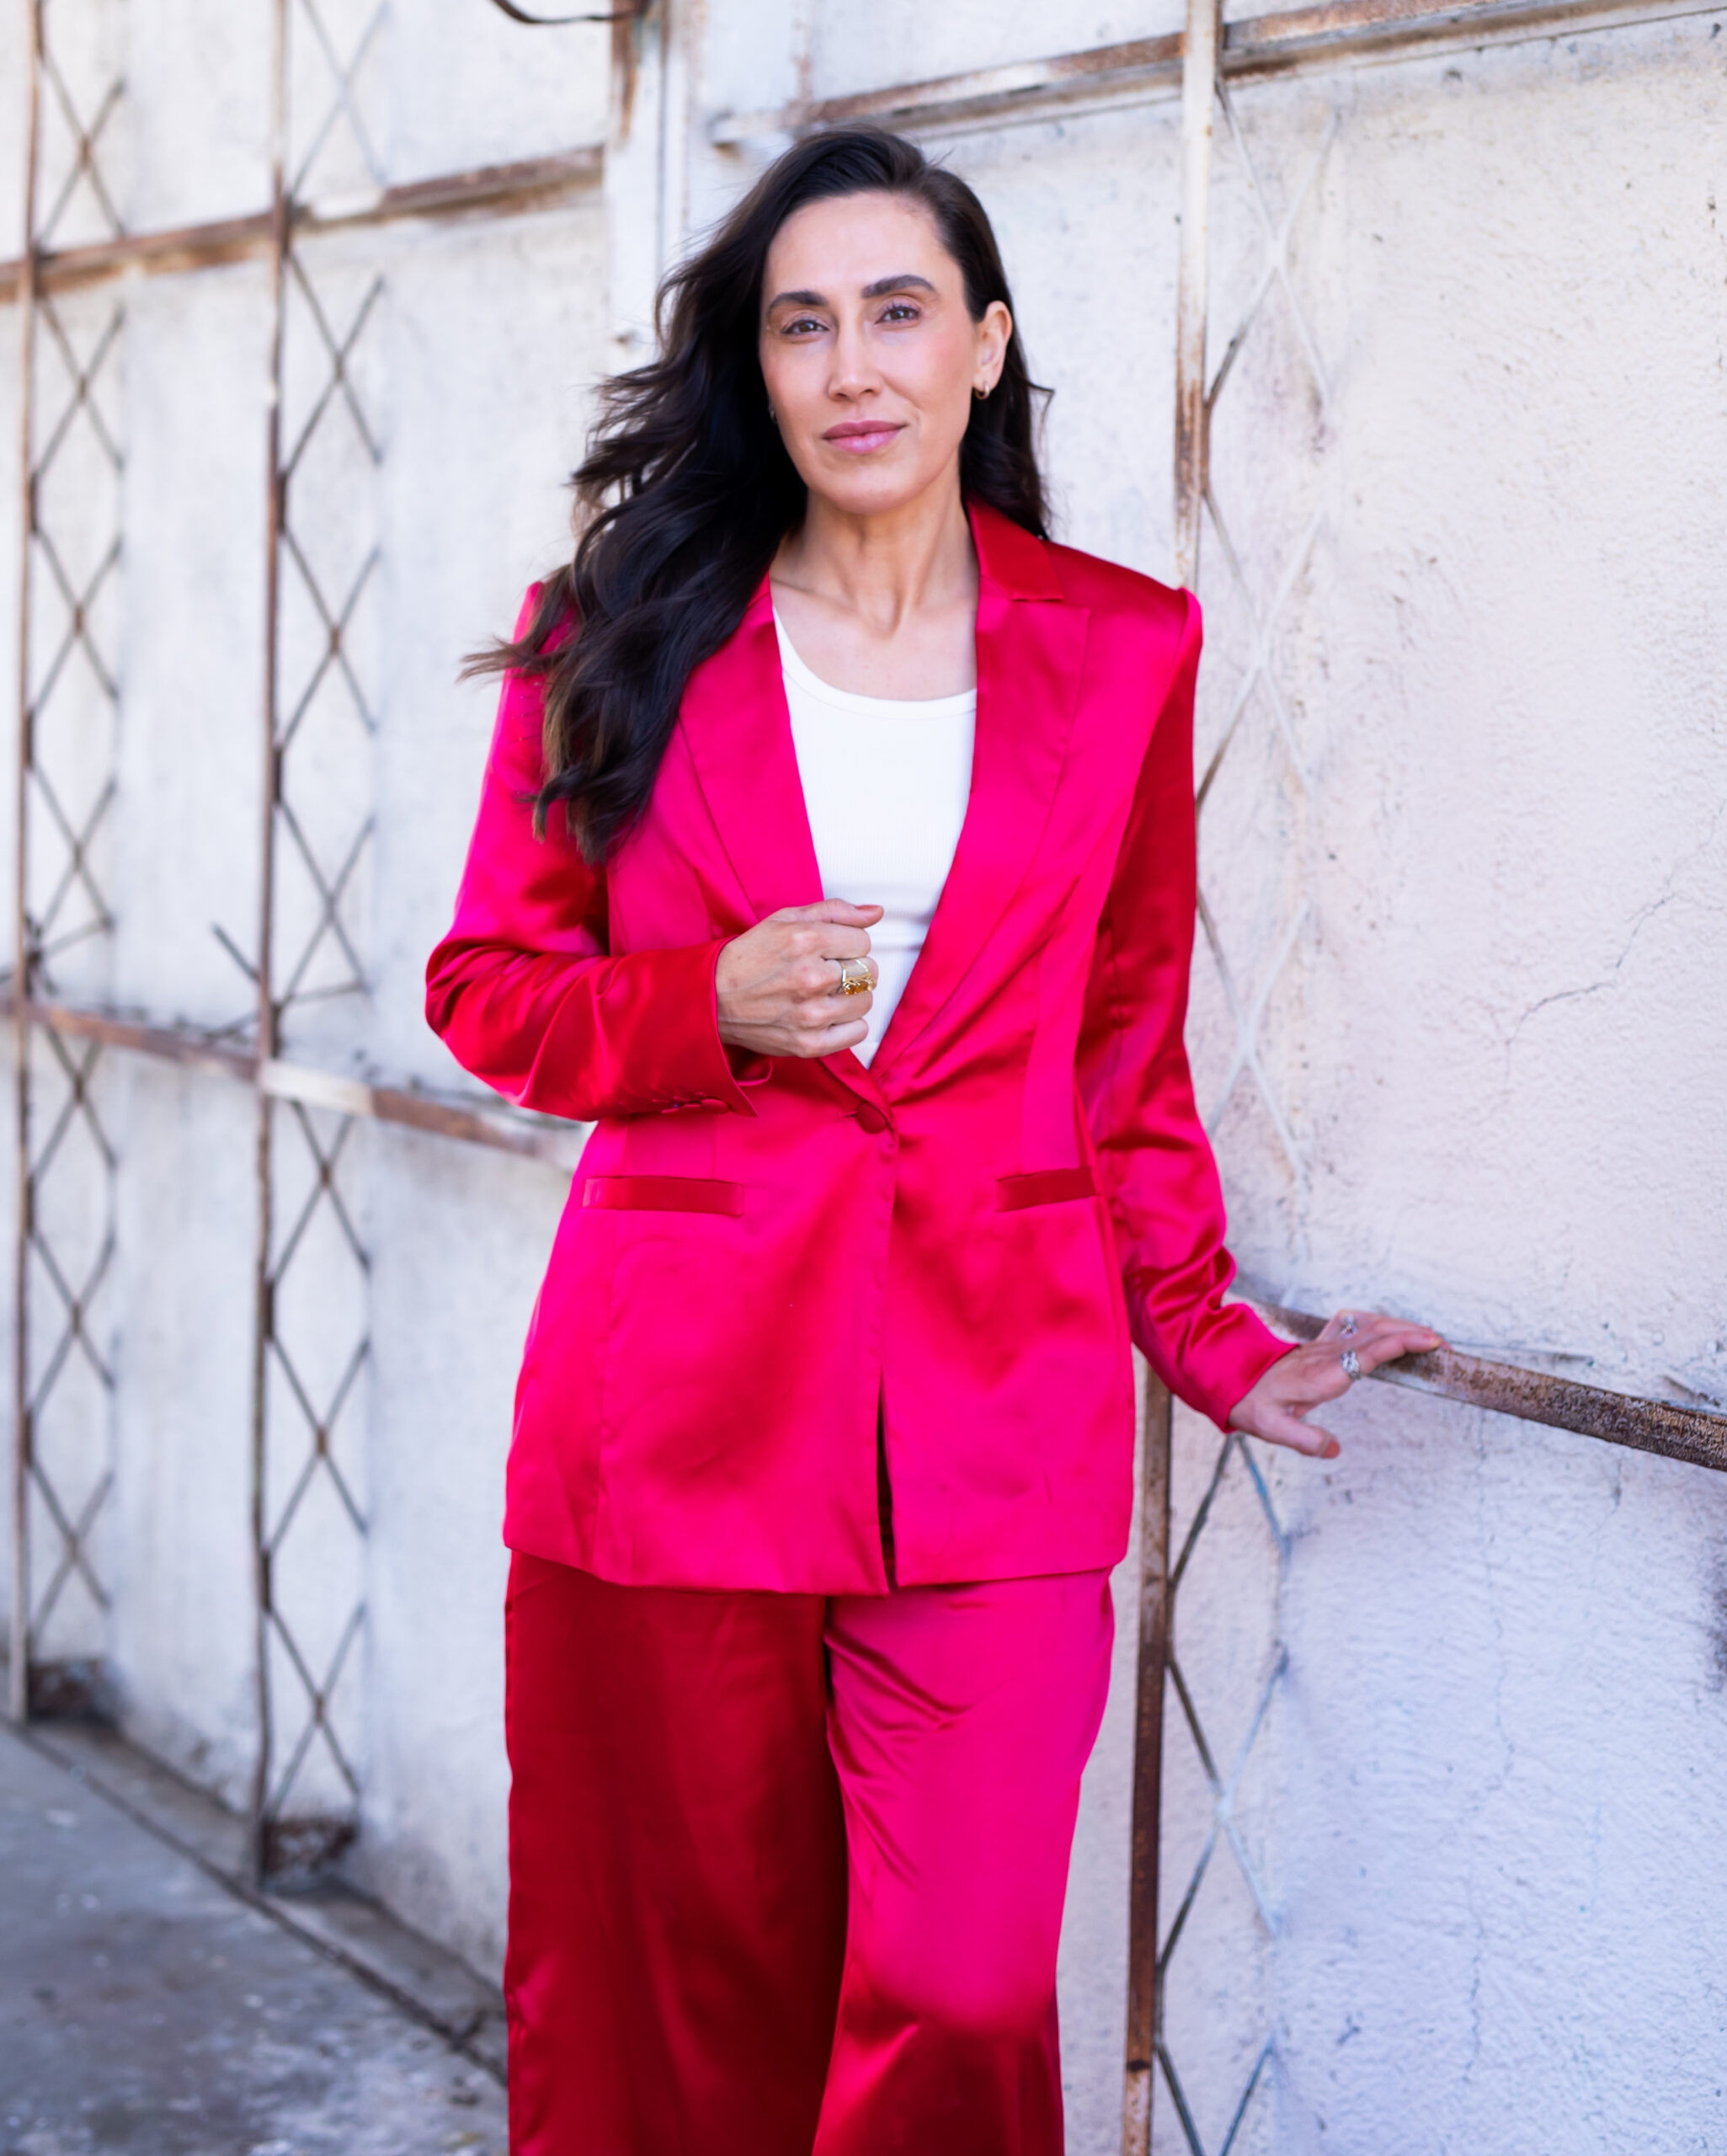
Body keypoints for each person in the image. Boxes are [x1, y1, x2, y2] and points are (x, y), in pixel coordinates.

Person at [426, 125, 1438, 2156]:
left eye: (898, 310)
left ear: (983, 345)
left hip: (996, 1414)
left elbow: (1123, 1042)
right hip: (677, 1418)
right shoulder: (615, 622)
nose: (852, 362)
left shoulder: (1125, 645)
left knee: (964, 1986)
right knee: (683, 1988)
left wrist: (1212, 1332)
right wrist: (692, 1003)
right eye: (803, 322)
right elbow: (486, 987)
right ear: (760, 366)